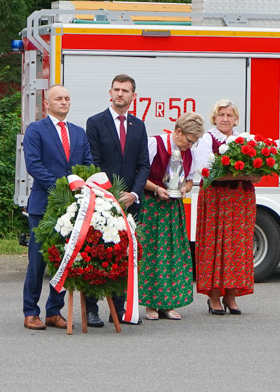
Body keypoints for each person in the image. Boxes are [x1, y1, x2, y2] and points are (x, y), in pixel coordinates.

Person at [21, 84, 93, 330]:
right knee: (38, 262)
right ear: (47, 103)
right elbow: (34, 165)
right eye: (59, 98)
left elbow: (88, 165)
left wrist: (82, 184)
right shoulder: (36, 131)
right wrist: (64, 186)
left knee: (64, 260)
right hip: (43, 207)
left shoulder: (78, 132)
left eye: (67, 98)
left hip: (72, 208)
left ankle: (54, 311)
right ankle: (31, 311)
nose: (64, 102)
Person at [84, 74, 150, 327]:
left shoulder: (138, 126)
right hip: (102, 201)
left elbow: (143, 164)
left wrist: (133, 194)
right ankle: (92, 310)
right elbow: (94, 163)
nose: (120, 94)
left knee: (125, 257)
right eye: (117, 89)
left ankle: (120, 310)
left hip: (130, 203)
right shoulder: (95, 123)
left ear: (134, 96)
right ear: (109, 93)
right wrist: (109, 194)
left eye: (126, 90)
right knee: (95, 254)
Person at [193, 99, 258, 315]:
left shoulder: (244, 140)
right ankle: (213, 296)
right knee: (215, 245)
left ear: (236, 119)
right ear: (214, 117)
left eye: (229, 115)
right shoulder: (206, 139)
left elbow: (256, 175)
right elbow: (204, 170)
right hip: (215, 198)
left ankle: (231, 295)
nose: (225, 119)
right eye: (221, 114)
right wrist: (237, 174)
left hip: (240, 200)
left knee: (237, 246)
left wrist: (252, 174)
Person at [139, 112, 205, 320]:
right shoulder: (154, 144)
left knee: (171, 254)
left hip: (172, 208)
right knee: (151, 254)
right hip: (151, 205)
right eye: (189, 140)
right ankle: (150, 304)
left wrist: (185, 189)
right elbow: (139, 175)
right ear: (178, 132)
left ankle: (168, 303)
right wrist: (157, 189)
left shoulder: (189, 153)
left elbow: (189, 181)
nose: (190, 146)